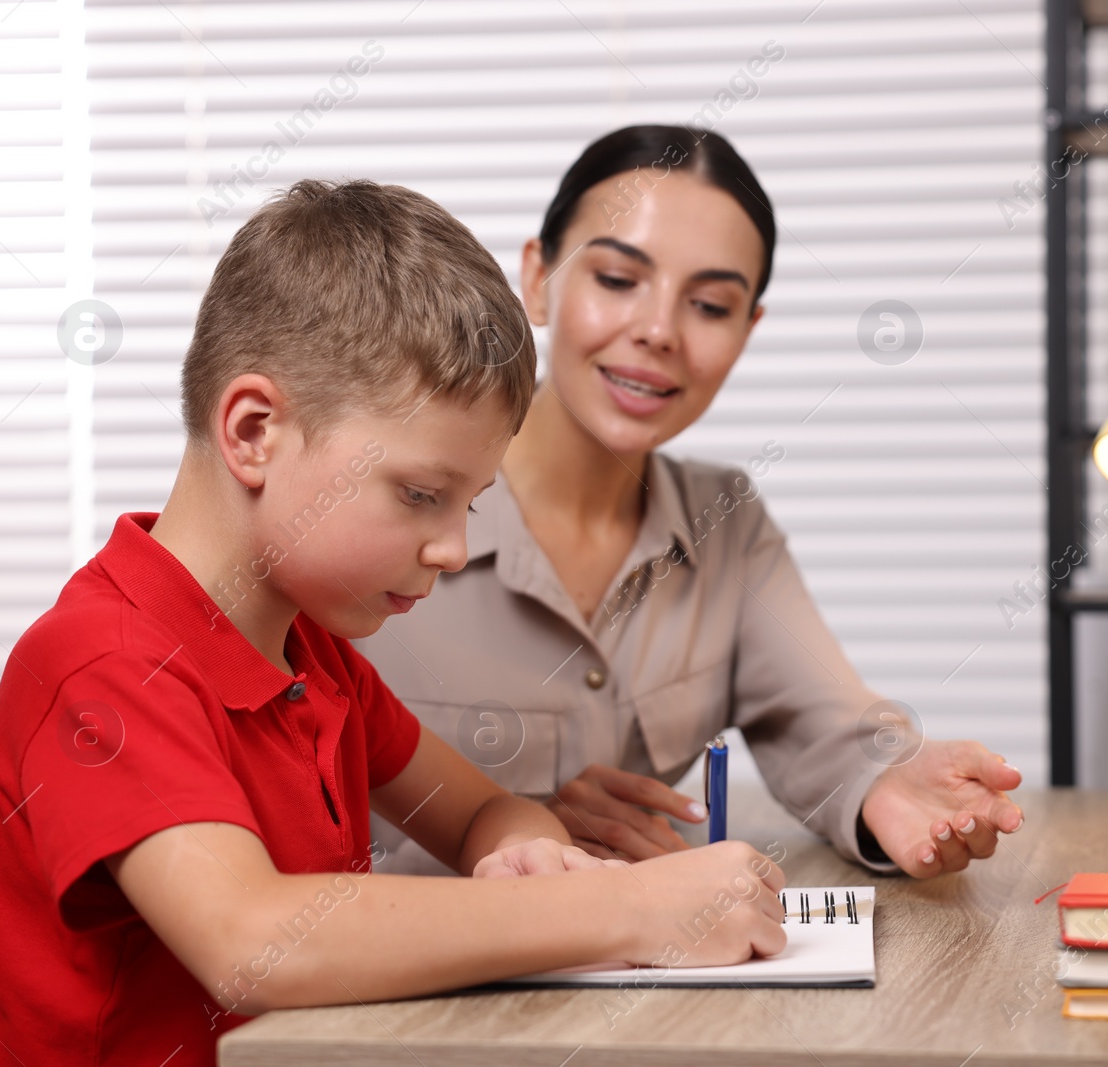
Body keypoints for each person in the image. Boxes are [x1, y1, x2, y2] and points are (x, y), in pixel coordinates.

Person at [0, 179, 786, 1067]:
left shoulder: (311, 651)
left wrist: (530, 863)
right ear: (254, 431)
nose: (455, 550)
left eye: (471, 503)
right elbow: (252, 939)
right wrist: (624, 907)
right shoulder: (104, 665)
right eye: (422, 495)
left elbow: (485, 816)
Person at [360, 126, 1023, 880]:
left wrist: (890, 778)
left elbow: (824, 721)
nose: (657, 331)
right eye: (616, 280)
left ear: (748, 330)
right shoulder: (370, 507)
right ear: (538, 279)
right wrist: (522, 836)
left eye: (709, 304)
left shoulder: (724, 521)